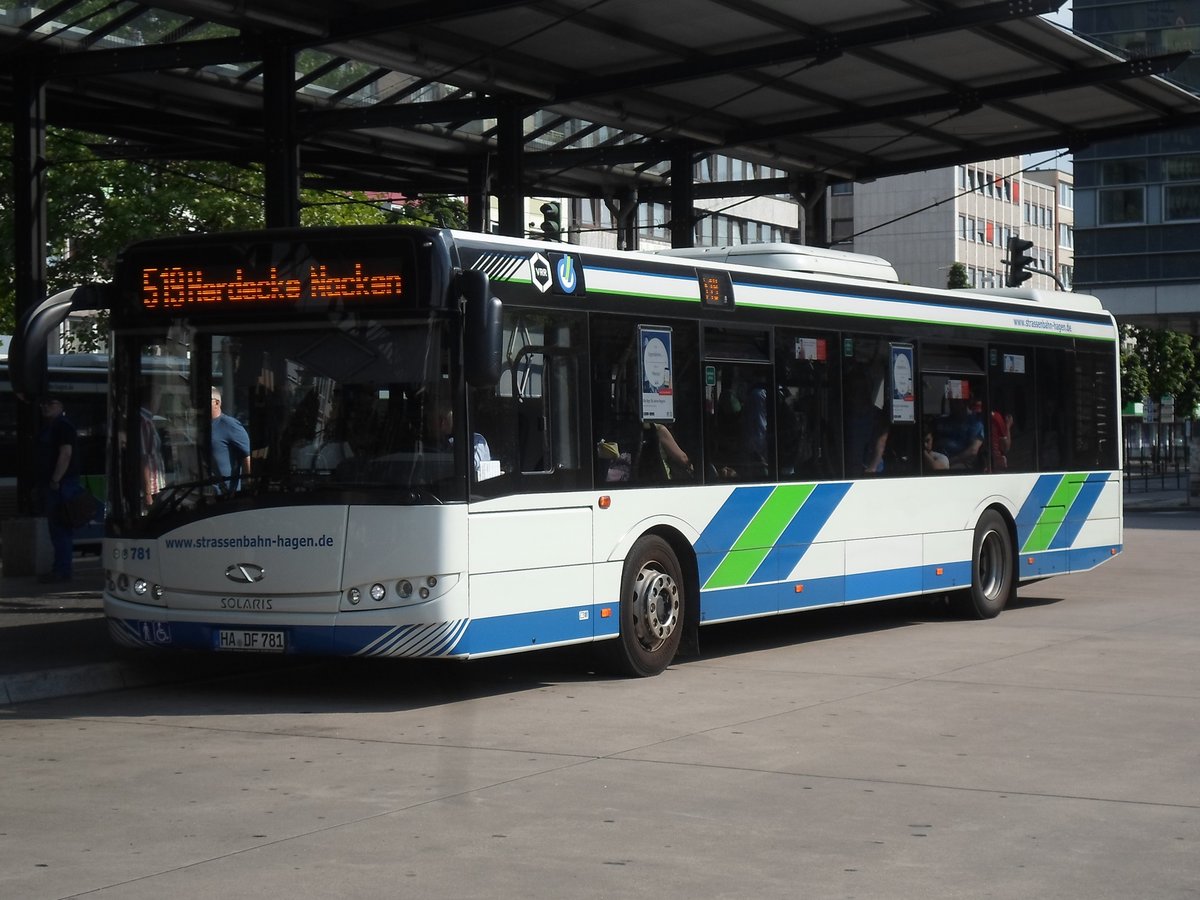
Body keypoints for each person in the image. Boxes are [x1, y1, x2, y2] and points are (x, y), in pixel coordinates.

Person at [35, 396, 81, 583]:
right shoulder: (53, 426)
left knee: (60, 528)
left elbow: (66, 453)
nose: (46, 407)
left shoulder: (62, 426)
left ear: (61, 406)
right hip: (58, 483)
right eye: (44, 403)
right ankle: (60, 568)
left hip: (61, 485)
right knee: (57, 529)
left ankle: (62, 570)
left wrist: (55, 479)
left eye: (50, 403)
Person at [209, 387, 251, 493]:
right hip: (205, 493)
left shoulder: (229, 424)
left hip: (225, 494)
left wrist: (248, 485)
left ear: (217, 403)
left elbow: (247, 455)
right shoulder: (201, 427)